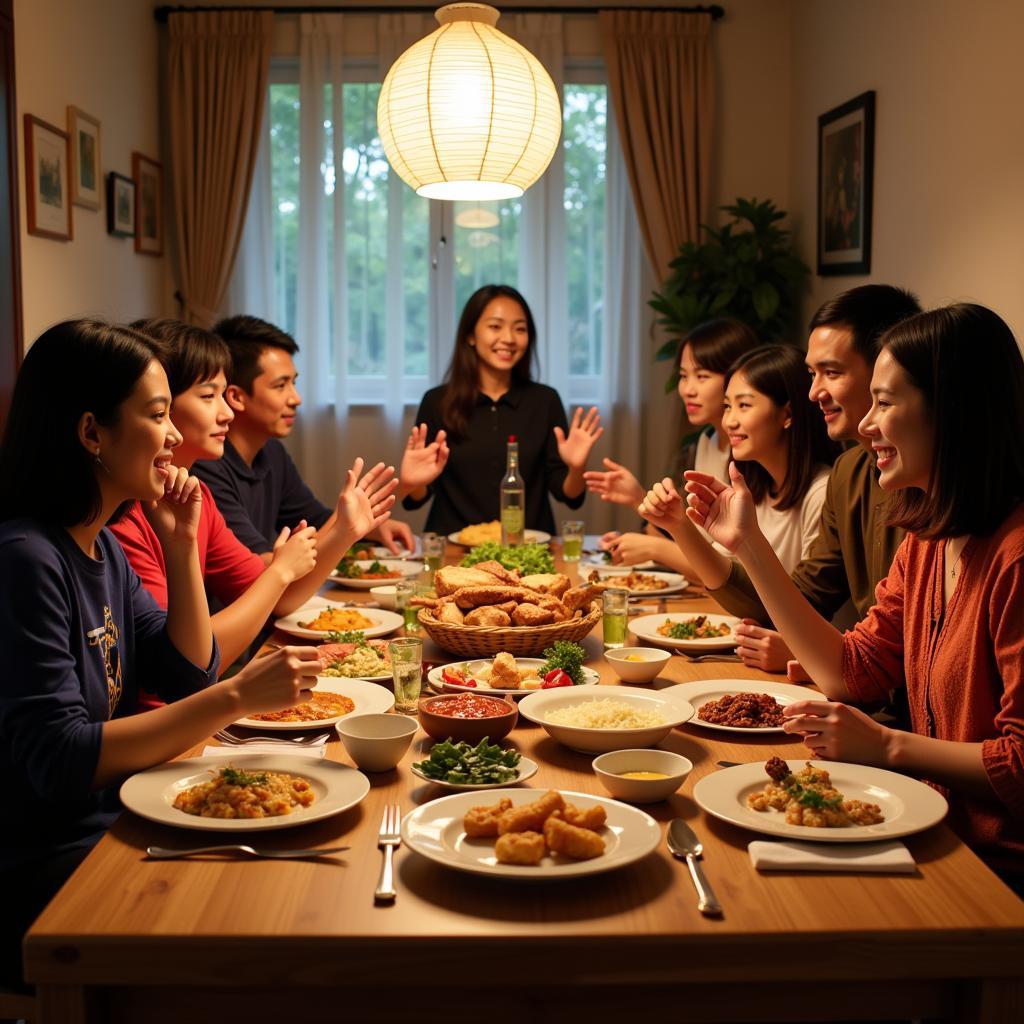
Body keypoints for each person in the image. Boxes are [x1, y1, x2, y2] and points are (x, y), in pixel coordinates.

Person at [0, 321, 323, 989]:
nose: (175, 434)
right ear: (92, 433)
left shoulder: (103, 546)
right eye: (156, 414)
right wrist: (235, 697)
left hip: (114, 821)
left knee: (297, 883)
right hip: (47, 867)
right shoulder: (27, 559)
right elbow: (58, 759)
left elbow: (183, 676)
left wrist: (181, 548)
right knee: (272, 934)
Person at [666, 304, 1024, 883]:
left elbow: (1019, 762)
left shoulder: (1015, 557)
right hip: (926, 830)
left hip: (996, 869)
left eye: (885, 403)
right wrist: (749, 545)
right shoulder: (927, 540)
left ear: (951, 410)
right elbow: (851, 671)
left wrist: (887, 746)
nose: (865, 425)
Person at [110, 318, 396, 669]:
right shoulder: (121, 516)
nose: (227, 411)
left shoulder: (194, 495)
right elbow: (186, 665)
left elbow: (280, 597)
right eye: (208, 396)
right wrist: (280, 572)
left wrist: (344, 530)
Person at [703, 285, 921, 671]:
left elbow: (908, 653)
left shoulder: (929, 484)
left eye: (831, 372)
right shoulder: (850, 472)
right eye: (812, 373)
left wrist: (817, 656)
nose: (813, 392)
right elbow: (800, 598)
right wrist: (742, 540)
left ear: (885, 370)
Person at [192, 315, 410, 560]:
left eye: (293, 383)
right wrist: (346, 525)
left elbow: (312, 522)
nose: (296, 399)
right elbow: (260, 566)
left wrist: (371, 529)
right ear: (236, 397)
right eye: (280, 386)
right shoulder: (205, 467)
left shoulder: (272, 452)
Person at [399, 284, 603, 536]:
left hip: (529, 552)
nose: (508, 338)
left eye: (520, 328)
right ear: (470, 335)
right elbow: (416, 499)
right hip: (455, 553)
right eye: (495, 326)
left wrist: (576, 468)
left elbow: (568, 495)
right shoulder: (437, 401)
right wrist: (413, 482)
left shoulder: (545, 400)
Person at [637, 344, 839, 585]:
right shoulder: (753, 490)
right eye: (727, 406)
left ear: (787, 415)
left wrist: (661, 544)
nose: (729, 421)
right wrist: (678, 524)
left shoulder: (821, 492)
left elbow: (808, 604)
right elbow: (727, 579)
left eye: (744, 405)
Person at [586, 318, 761, 568]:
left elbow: (728, 569)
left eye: (701, 376)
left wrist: (653, 548)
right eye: (683, 376)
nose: (688, 389)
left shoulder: (751, 455)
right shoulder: (707, 442)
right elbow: (694, 546)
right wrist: (639, 501)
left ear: (737, 377)